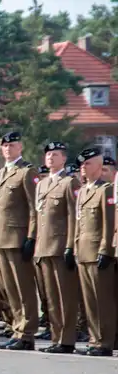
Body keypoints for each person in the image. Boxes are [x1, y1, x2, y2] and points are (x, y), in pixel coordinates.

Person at [0, 131, 39, 351]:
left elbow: (33, 208)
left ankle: (27, 333)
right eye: (5, 146)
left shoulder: (27, 172)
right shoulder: (2, 173)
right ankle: (18, 329)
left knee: (23, 288)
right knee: (11, 289)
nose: (8, 149)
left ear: (20, 147)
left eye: (12, 145)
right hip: (1, 238)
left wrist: (31, 236)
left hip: (17, 238)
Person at [34, 142, 80, 354]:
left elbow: (74, 217)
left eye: (55, 154)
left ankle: (67, 339)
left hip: (61, 246)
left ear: (63, 158)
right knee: (51, 297)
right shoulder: (42, 185)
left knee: (65, 296)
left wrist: (71, 246)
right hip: (44, 246)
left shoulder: (70, 182)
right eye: (48, 154)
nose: (50, 158)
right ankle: (56, 337)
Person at [75, 148, 116, 356]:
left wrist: (105, 249)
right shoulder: (83, 190)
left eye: (88, 164)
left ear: (99, 167)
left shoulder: (105, 190)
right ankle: (94, 339)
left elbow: (109, 224)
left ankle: (105, 342)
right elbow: (79, 224)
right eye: (82, 165)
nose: (83, 167)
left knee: (103, 300)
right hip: (83, 251)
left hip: (97, 252)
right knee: (89, 301)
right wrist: (75, 247)